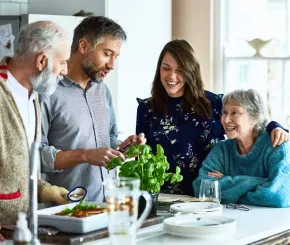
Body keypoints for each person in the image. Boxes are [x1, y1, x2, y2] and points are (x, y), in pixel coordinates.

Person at [136, 39, 289, 196]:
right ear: (159, 69)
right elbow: (141, 158)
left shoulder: (213, 103)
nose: (172, 76)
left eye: (180, 70)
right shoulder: (146, 108)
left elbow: (248, 117)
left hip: (207, 195)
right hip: (161, 195)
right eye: (166, 68)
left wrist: (276, 126)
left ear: (190, 71)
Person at [40, 16, 146, 203]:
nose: (112, 65)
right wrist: (86, 155)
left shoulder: (103, 90)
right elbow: (38, 155)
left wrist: (125, 148)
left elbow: (109, 140)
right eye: (107, 53)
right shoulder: (47, 92)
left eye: (115, 57)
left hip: (108, 207)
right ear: (83, 46)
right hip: (65, 211)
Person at [0, 21, 71, 225]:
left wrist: (43, 189)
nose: (65, 70)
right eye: (63, 62)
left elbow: (15, 167)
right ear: (42, 61)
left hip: (21, 228)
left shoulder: (33, 97)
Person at [193, 89, 290, 207]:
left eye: (235, 112)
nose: (226, 119)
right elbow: (202, 188)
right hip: (231, 219)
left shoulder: (277, 145)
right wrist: (262, 182)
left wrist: (228, 182)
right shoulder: (221, 149)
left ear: (254, 117)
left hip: (272, 223)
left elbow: (278, 196)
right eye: (224, 112)